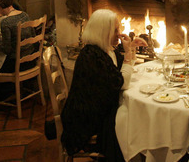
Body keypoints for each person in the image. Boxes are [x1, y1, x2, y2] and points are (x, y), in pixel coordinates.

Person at [61, 9, 146, 161]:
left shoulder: (105, 50)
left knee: (133, 113)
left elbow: (119, 72)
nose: (119, 33)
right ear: (103, 32)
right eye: (115, 30)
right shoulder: (92, 56)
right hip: (87, 118)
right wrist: (127, 55)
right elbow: (122, 82)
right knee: (132, 117)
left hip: (98, 107)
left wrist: (131, 48)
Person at [0, 0, 33, 73]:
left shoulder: (6, 22)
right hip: (31, 61)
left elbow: (6, 50)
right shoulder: (25, 15)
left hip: (16, 65)